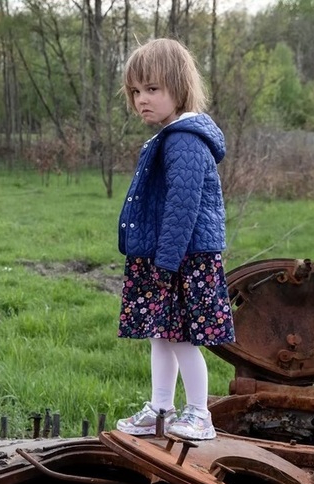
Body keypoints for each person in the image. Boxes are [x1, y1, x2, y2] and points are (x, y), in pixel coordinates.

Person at [115, 38, 235, 440]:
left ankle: (200, 414)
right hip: (166, 255)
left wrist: (166, 263)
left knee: (181, 338)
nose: (142, 100)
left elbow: (183, 206)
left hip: (182, 257)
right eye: (136, 91)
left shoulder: (184, 139)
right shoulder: (170, 136)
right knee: (161, 335)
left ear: (179, 88)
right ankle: (161, 408)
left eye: (152, 89)